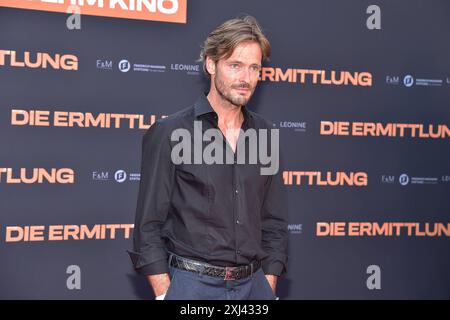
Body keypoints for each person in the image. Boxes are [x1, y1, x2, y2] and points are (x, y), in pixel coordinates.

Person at [128, 15, 288, 300]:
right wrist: (166, 292)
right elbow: (148, 225)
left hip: (254, 287)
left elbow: (273, 221)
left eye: (254, 68)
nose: (246, 78)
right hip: (192, 286)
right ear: (211, 65)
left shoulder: (265, 133)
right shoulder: (171, 132)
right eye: (235, 66)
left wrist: (269, 283)